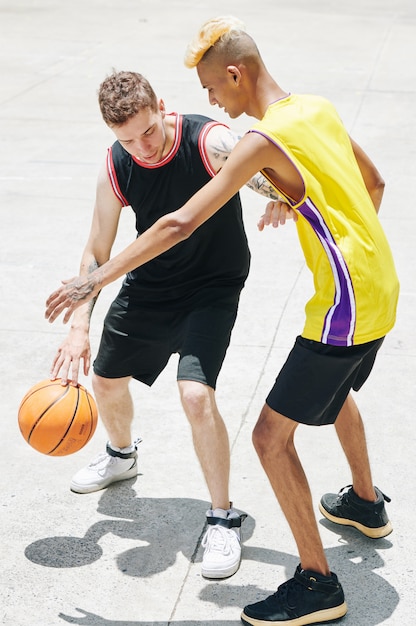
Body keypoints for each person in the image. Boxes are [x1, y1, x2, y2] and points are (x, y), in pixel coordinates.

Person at [45, 17, 399, 625]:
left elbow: (180, 222)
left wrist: (91, 282)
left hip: (342, 302)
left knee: (269, 438)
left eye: (212, 87)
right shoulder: (315, 108)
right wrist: (328, 224)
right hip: (378, 287)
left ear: (235, 75)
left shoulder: (258, 139)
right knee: (333, 392)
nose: (210, 100)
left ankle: (318, 584)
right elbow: (374, 182)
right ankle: (365, 505)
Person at [47, 69, 290, 581]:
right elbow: (97, 250)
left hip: (213, 285)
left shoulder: (209, 141)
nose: (143, 147)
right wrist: (79, 326)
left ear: (162, 105)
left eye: (148, 131)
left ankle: (223, 518)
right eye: (127, 139)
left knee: (196, 395)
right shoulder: (116, 165)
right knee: (106, 379)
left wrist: (282, 192)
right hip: (152, 283)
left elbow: (277, 160)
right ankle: (121, 455)